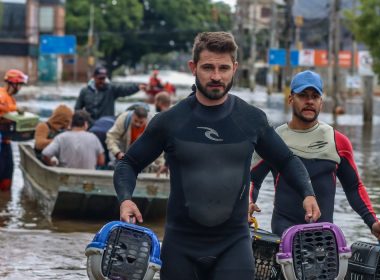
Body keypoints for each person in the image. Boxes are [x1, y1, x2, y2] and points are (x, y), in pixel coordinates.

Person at [114, 32, 321, 280]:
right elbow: (129, 163)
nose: (216, 76)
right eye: (208, 67)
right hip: (181, 245)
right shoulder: (170, 121)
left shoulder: (251, 120)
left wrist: (307, 193)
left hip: (233, 244)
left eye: (223, 68)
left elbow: (286, 160)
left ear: (234, 68)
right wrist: (125, 200)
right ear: (193, 68)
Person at [249, 70, 380, 242]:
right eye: (303, 95)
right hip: (283, 235)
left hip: (324, 240)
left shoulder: (338, 142)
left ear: (321, 103)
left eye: (315, 96)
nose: (309, 101)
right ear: (290, 99)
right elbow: (252, 180)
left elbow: (353, 187)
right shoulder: (273, 140)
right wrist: (247, 205)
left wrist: (372, 222)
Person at [74, 66, 146, 122]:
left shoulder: (111, 89)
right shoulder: (85, 91)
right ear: (94, 77)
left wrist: (137, 87)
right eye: (100, 78)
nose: (102, 81)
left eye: (104, 78)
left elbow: (125, 89)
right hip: (90, 124)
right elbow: (77, 108)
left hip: (107, 123)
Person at [0, 69, 28, 191]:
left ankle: (5, 202)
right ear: (13, 84)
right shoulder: (1, 94)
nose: (20, 88)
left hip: (6, 141)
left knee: (8, 171)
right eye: (20, 85)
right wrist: (15, 108)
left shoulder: (11, 98)